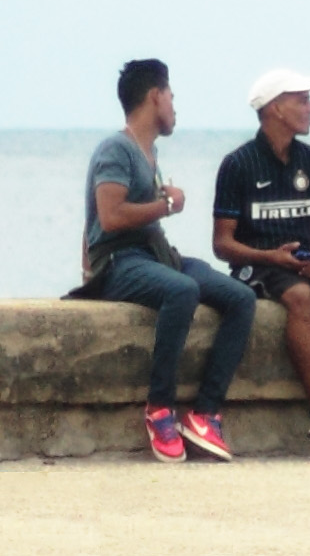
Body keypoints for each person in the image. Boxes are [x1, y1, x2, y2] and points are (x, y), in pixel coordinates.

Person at [71, 59, 256, 462]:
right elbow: (110, 216)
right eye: (171, 96)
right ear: (155, 96)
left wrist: (161, 203)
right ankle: (159, 409)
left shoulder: (149, 152)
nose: (174, 105)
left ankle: (205, 413)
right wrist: (167, 204)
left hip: (155, 257)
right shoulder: (115, 149)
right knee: (182, 291)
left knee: (241, 298)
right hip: (119, 263)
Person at [212, 68, 310, 449]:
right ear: (276, 109)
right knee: (299, 297)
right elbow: (222, 244)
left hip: (306, 260)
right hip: (260, 263)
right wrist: (271, 256)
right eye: (303, 101)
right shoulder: (238, 165)